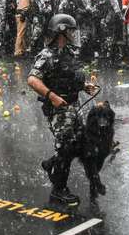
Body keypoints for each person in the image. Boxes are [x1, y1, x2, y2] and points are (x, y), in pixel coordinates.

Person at [26, 14, 98, 206]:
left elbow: (70, 76)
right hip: (58, 108)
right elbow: (32, 80)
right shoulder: (46, 55)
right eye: (71, 30)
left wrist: (84, 86)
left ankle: (51, 164)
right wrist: (52, 96)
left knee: (77, 143)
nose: (74, 33)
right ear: (61, 32)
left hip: (74, 105)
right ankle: (59, 190)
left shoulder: (68, 52)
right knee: (65, 148)